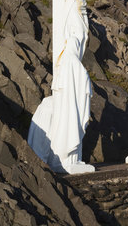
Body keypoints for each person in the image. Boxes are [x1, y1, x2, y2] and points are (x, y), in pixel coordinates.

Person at [47, 36, 94, 173]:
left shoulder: (63, 61)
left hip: (64, 104)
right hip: (72, 104)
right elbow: (83, 83)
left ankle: (66, 159)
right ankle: (69, 159)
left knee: (62, 128)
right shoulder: (73, 61)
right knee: (70, 128)